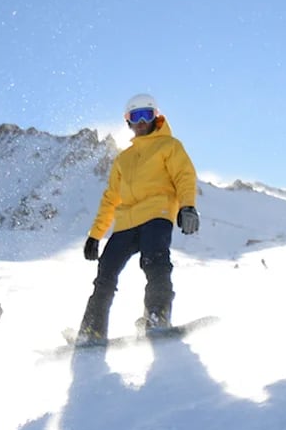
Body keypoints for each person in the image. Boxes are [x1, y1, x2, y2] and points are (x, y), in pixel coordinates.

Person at [75, 93, 200, 345]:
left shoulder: (169, 146)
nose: (141, 121)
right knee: (105, 273)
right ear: (128, 122)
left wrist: (187, 206)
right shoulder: (123, 158)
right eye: (136, 116)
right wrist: (95, 235)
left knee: (155, 263)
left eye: (147, 115)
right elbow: (110, 198)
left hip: (157, 213)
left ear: (156, 117)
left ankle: (157, 318)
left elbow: (184, 176)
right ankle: (92, 330)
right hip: (125, 223)